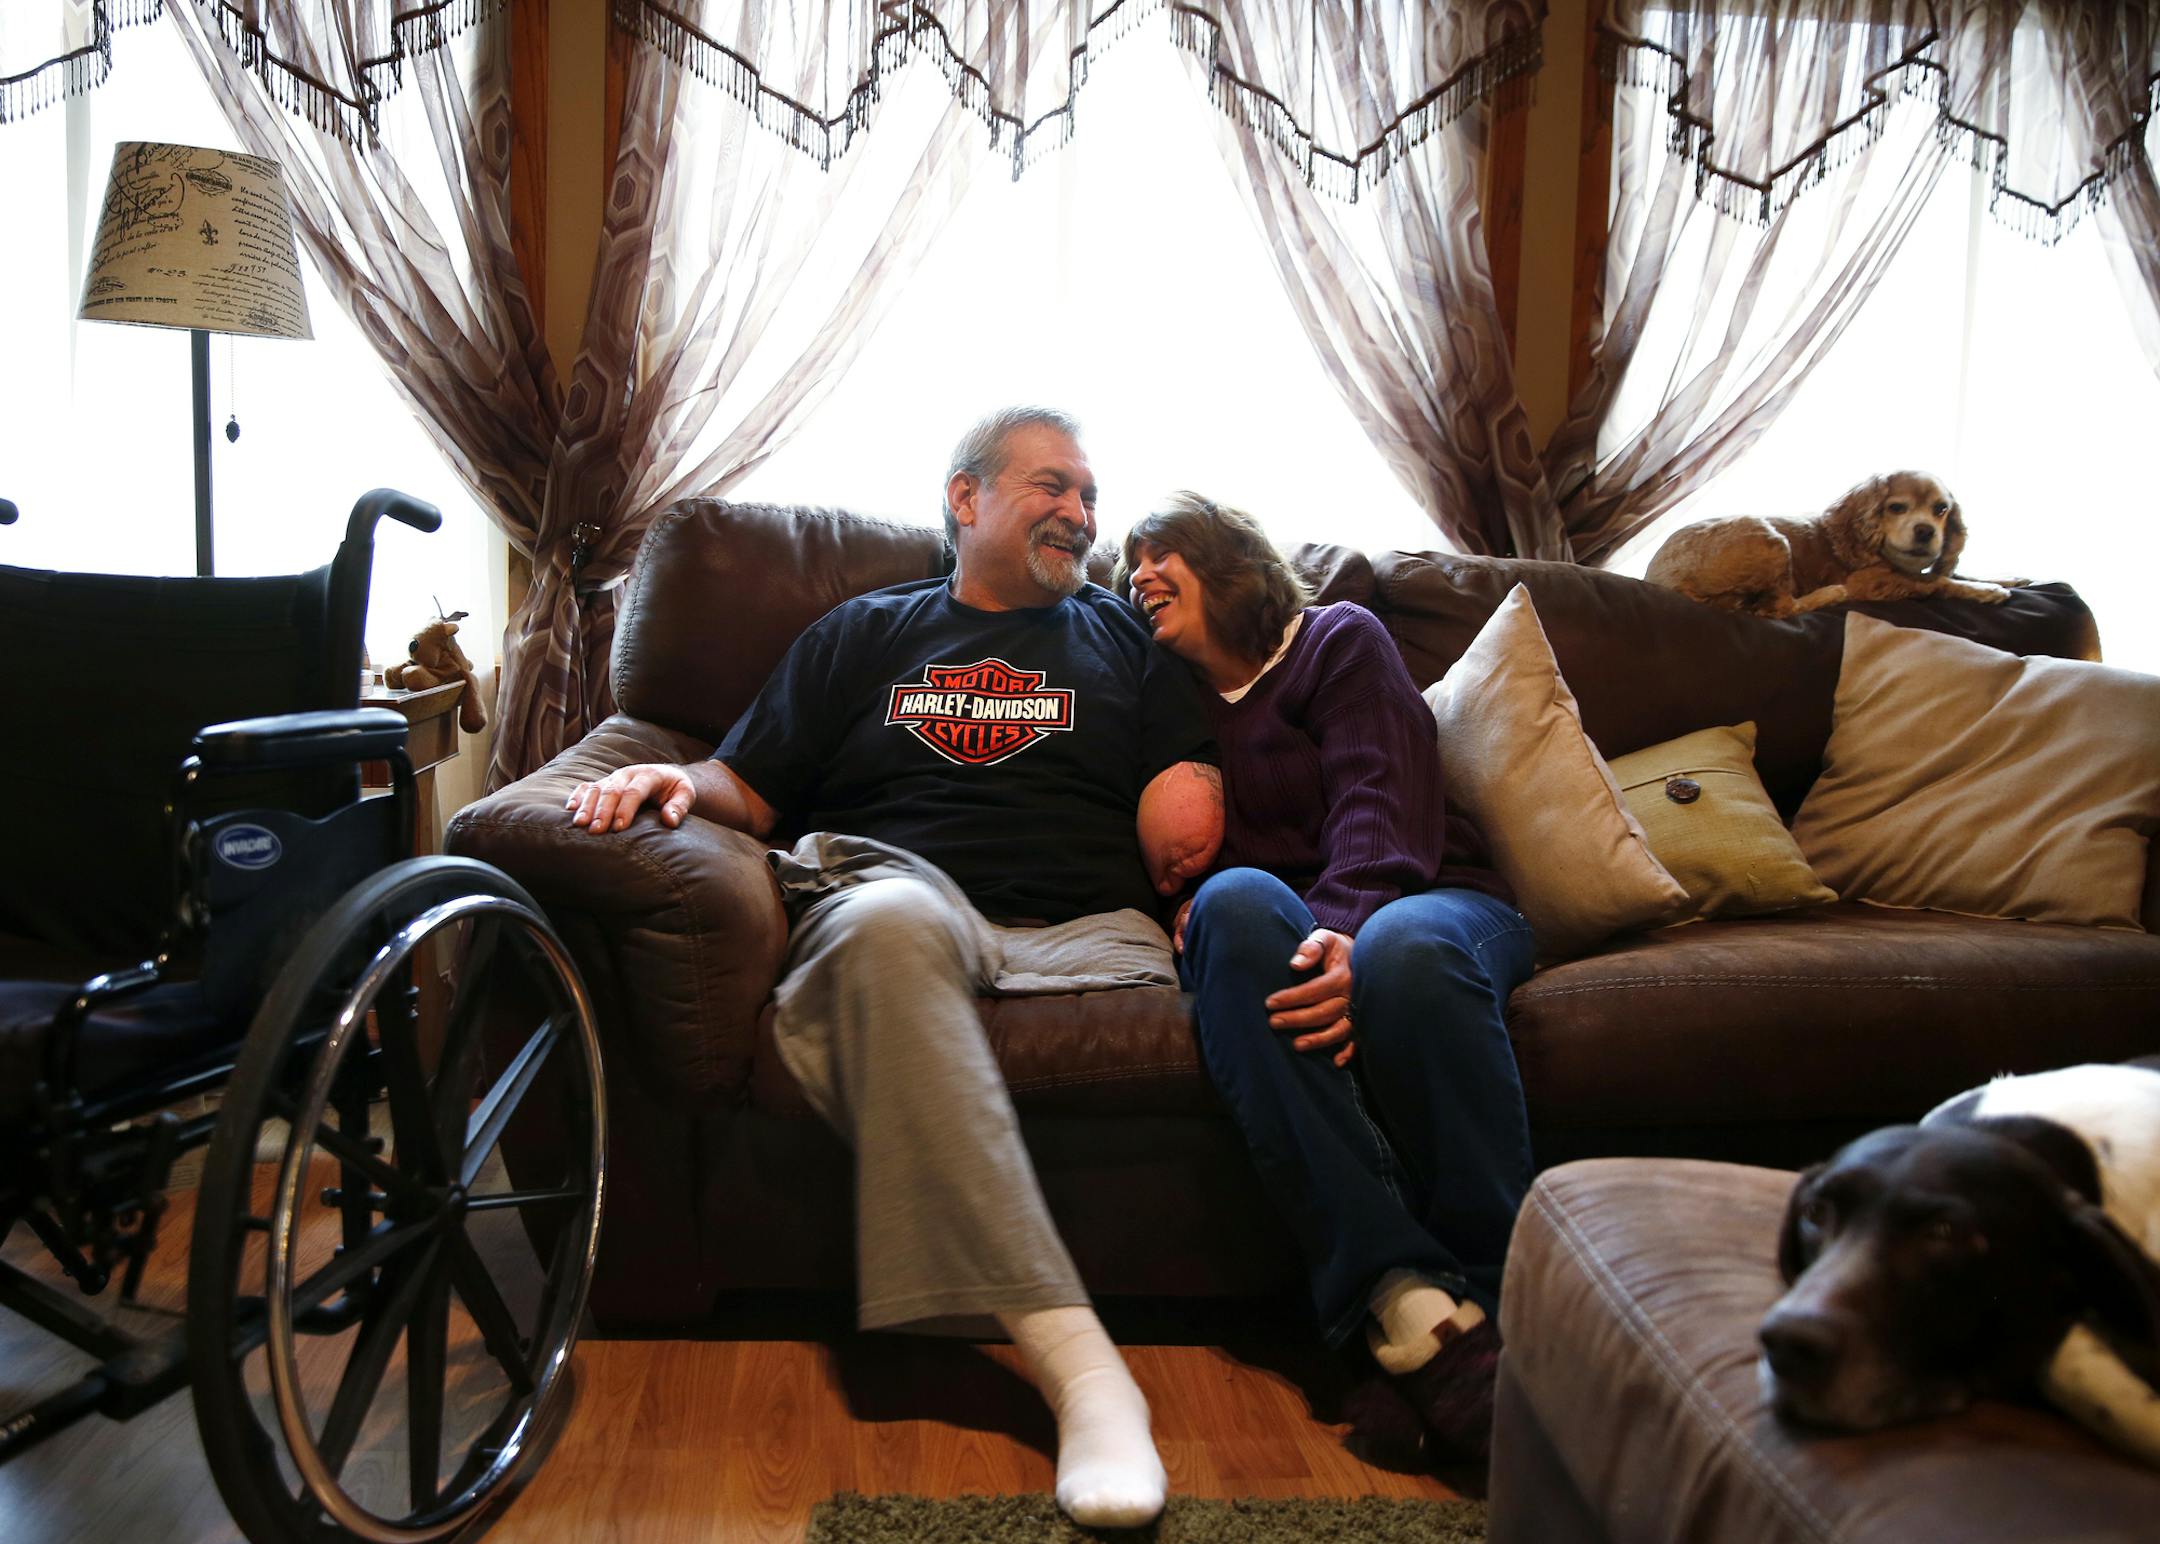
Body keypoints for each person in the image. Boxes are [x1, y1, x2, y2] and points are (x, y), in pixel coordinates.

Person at [562, 409, 1221, 1528]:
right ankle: (1083, 1369)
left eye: (1090, 496)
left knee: (920, 942)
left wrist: (1218, 847)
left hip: (1087, 924)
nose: (1081, 513)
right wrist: (675, 784)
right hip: (900, 890)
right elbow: (749, 786)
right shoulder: (864, 632)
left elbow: (1188, 797)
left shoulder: (1125, 640)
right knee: (892, 925)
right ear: (965, 497)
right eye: (1052, 486)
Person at [1116, 491, 1535, 1464]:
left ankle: (1500, 1307)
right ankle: (1411, 1308)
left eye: (1162, 551)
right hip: (1289, 922)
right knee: (1229, 905)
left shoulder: (1335, 639)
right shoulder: (1170, 705)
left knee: (1405, 956)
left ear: (1228, 559)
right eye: (1130, 564)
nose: (1138, 575)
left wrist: (1344, 925)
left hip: (1428, 891)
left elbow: (1382, 792)